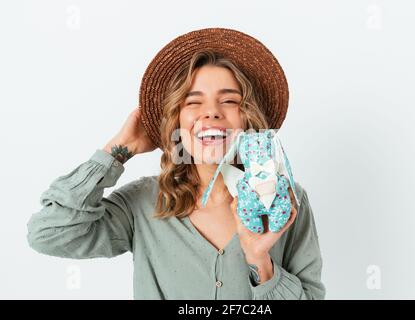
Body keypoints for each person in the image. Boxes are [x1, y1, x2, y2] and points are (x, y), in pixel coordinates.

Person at [26, 28, 326, 300]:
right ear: (177, 122)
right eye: (193, 102)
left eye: (230, 100)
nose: (211, 113)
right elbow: (48, 234)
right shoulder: (143, 203)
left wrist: (260, 261)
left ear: (248, 119)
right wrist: (118, 151)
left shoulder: (286, 201)